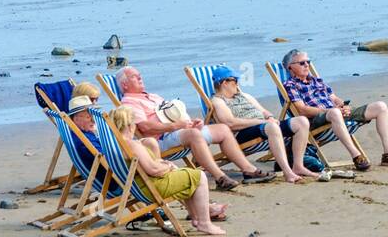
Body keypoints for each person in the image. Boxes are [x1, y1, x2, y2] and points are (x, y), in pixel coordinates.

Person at [115, 66, 272, 190]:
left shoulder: (153, 96)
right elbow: (145, 128)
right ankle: (220, 178)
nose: (140, 78)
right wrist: (176, 126)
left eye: (139, 75)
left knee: (223, 129)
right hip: (160, 141)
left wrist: (191, 122)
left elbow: (173, 113)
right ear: (125, 84)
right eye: (135, 77)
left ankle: (249, 170)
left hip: (180, 131)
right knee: (193, 135)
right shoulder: (129, 102)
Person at [281, 49, 388, 168]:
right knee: (335, 113)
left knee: (380, 107)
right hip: (316, 119)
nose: (306, 65)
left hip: (336, 113)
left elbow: (334, 98)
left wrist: (344, 106)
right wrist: (331, 111)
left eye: (308, 62)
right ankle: (356, 155)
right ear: (290, 67)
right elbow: (302, 109)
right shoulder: (290, 85)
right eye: (302, 63)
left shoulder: (316, 80)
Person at [108, 107, 227, 235]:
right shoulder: (132, 145)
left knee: (185, 175)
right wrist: (167, 166)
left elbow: (147, 167)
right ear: (130, 126)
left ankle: (196, 218)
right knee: (200, 176)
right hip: (151, 188)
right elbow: (153, 170)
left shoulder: (115, 144)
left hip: (139, 186)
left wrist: (161, 164)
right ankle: (205, 223)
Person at [207, 66, 315, 182]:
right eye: (235, 80)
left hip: (265, 127)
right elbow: (230, 123)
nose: (238, 84)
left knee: (301, 121)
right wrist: (263, 122)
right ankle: (288, 172)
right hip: (243, 134)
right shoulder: (218, 101)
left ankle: (298, 166)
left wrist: (269, 117)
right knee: (272, 127)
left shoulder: (245, 96)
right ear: (224, 82)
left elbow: (264, 112)